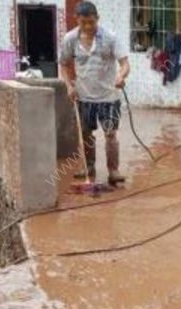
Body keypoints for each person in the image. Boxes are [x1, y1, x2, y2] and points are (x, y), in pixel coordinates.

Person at [59, 1, 130, 184]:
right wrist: (69, 86)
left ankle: (113, 171)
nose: (88, 26)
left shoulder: (110, 37)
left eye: (92, 22)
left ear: (97, 19)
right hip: (83, 97)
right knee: (86, 135)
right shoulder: (70, 39)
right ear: (77, 20)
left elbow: (124, 63)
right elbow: (64, 65)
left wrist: (121, 76)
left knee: (110, 134)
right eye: (84, 23)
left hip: (109, 97)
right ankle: (88, 168)